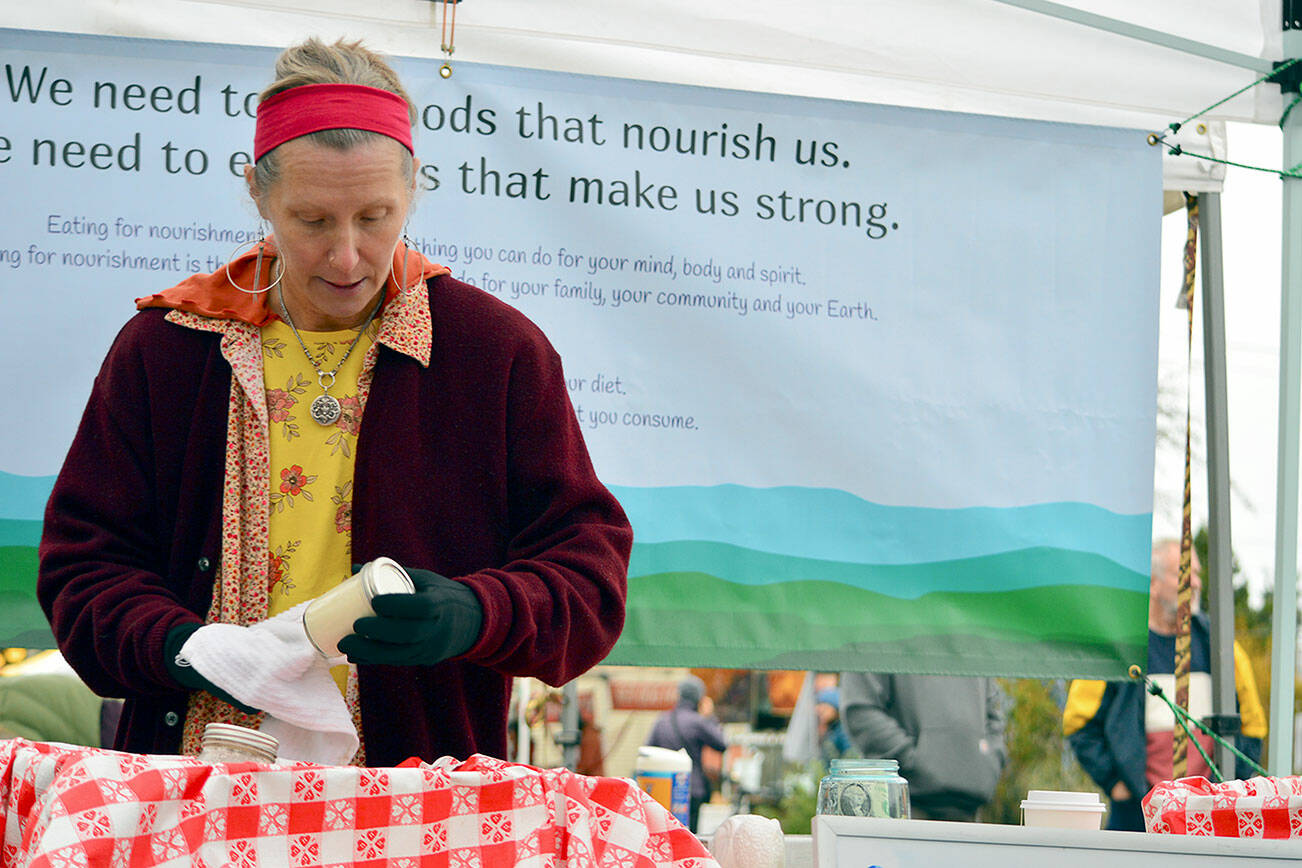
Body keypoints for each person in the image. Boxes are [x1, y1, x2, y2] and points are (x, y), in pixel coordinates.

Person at [36, 37, 631, 766]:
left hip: (414, 802)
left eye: (375, 216)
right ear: (256, 191)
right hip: (197, 789)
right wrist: (186, 649)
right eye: (313, 220)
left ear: (414, 189)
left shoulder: (495, 353)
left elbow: (588, 574)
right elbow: (82, 570)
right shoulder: (168, 350)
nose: (347, 256)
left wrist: (477, 613)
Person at [1064, 539, 1266, 831]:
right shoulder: (1119, 647)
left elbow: (1253, 725)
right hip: (1136, 816)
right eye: (1184, 572)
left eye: (1197, 573)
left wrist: (1231, 788)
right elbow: (1078, 723)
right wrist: (1116, 782)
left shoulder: (1222, 648)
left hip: (1208, 819)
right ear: (1153, 584)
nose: (1195, 583)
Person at [839, 673, 1007, 821]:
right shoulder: (876, 638)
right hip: (904, 808)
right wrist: (913, 761)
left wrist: (988, 762)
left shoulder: (971, 640)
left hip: (969, 807)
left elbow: (993, 711)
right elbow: (861, 710)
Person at [646, 675, 728, 832]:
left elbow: (648, 749)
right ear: (699, 698)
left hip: (663, 788)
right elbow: (721, 744)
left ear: (679, 695)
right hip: (691, 788)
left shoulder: (662, 721)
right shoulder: (698, 722)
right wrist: (709, 716)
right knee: (689, 835)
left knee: (663, 833)